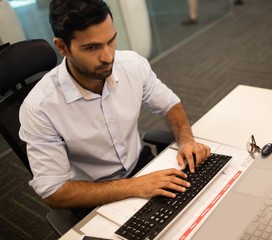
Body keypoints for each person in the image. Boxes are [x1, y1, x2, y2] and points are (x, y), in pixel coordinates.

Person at [19, 0, 210, 218]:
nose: (108, 57)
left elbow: (169, 104)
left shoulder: (132, 65)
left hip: (141, 167)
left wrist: (186, 140)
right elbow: (53, 191)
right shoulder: (39, 107)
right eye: (92, 47)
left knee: (201, 206)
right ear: (62, 47)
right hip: (93, 195)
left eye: (111, 41)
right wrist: (134, 186)